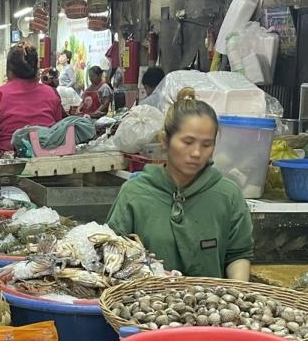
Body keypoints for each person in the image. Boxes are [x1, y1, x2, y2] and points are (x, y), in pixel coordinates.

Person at [106, 87, 253, 280]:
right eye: (188, 142)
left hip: (210, 299)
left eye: (206, 144)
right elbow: (111, 253)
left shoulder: (227, 195)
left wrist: (238, 292)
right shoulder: (135, 194)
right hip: (147, 298)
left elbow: (238, 254)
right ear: (165, 140)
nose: (196, 153)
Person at [0, 43, 63, 152]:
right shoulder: (51, 93)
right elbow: (58, 126)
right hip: (47, 154)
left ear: (9, 70)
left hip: (12, 157)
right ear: (36, 69)